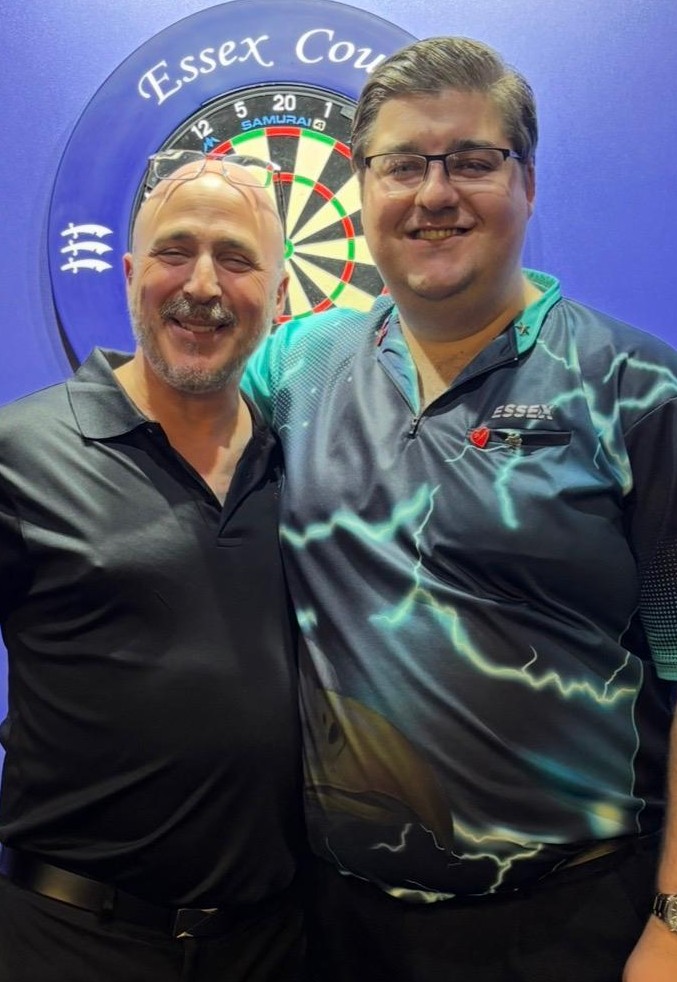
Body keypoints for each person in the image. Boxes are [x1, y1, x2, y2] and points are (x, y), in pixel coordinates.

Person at [242, 36, 677, 982]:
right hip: (336, 927)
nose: (434, 193)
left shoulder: (640, 390)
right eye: (402, 164)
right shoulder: (292, 365)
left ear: (528, 183)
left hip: (574, 925)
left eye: (472, 161)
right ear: (363, 187)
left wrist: (673, 923)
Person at [0, 153, 304, 982]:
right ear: (132, 274)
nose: (201, 285)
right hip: (66, 942)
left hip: (278, 947)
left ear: (280, 296)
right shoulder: (21, 453)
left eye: (236, 259)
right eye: (175, 251)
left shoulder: (307, 467)